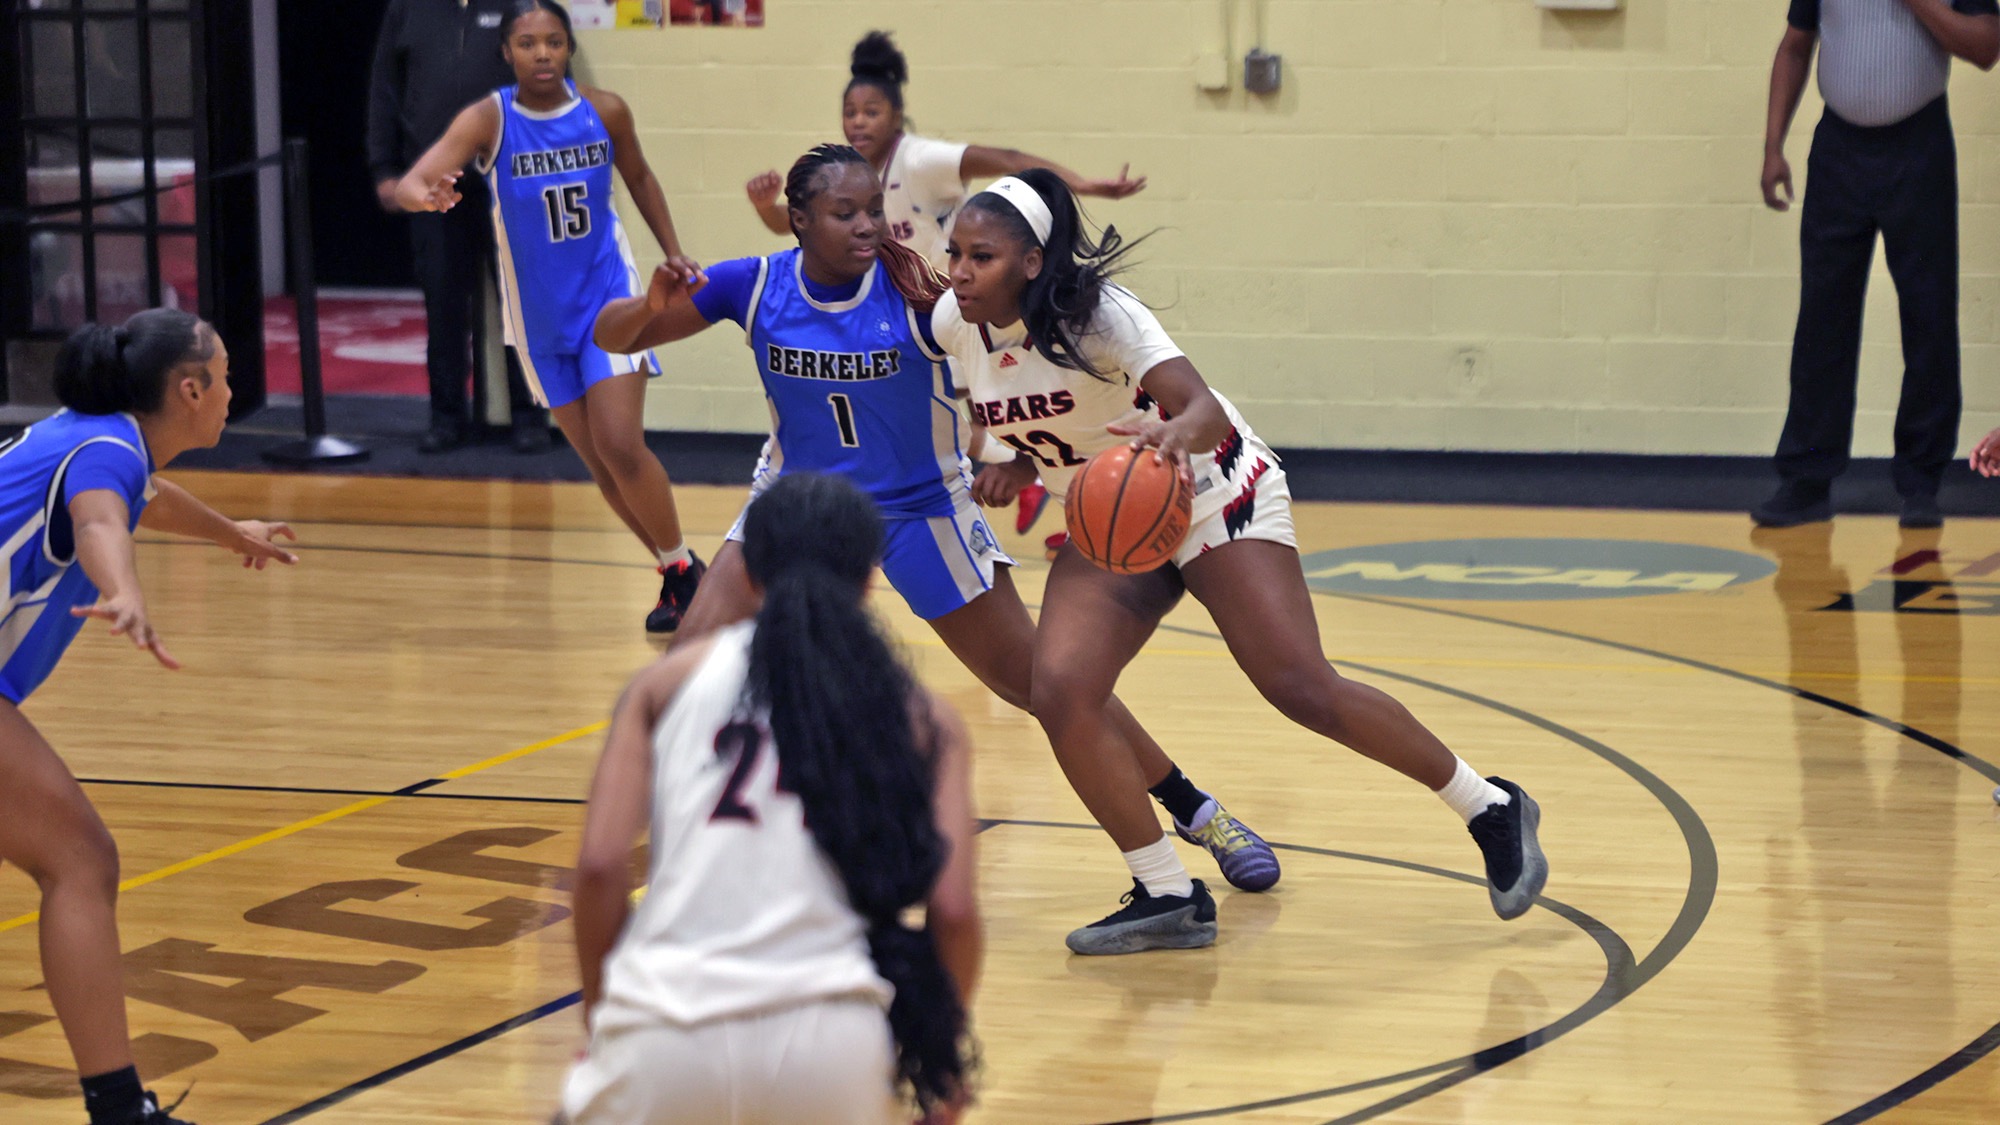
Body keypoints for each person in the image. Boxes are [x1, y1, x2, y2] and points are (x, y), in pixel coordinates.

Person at [597, 144, 1278, 954]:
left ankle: (1193, 804)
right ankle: (690, 877)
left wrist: (1024, 459)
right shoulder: (754, 285)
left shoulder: (927, 298)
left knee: (1045, 686)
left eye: (873, 209)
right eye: (845, 212)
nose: (868, 225)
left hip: (920, 512)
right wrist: (647, 307)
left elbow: (1017, 374)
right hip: (794, 507)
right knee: (687, 675)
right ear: (799, 219)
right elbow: (613, 335)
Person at [937, 171, 1551, 947]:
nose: (958, 270)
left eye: (981, 256)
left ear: (1031, 262)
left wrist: (1171, 434)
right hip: (1115, 515)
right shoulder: (953, 323)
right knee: (1058, 688)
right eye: (953, 252)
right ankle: (1165, 891)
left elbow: (1201, 407)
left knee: (1299, 686)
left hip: (1209, 488)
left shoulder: (1101, 316)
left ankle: (1489, 805)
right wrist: (1018, 467)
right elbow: (1040, 420)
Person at [564, 472, 978, 1124]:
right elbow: (953, 908)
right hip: (833, 1039)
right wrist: (942, 1058)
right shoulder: (922, 714)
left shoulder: (663, 686)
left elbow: (598, 869)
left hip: (665, 1021)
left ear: (748, 572)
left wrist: (599, 1019)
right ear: (870, 580)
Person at [0, 310, 300, 1125]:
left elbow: (143, 500)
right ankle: (119, 1110)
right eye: (227, 375)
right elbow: (102, 519)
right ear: (189, 387)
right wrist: (124, 589)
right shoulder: (107, 452)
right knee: (80, 860)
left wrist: (230, 531)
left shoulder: (96, 436)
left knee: (77, 860)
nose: (234, 391)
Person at [744, 30, 1150, 539]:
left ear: (895, 116)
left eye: (871, 111)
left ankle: (1054, 484)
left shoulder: (920, 161)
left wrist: (1084, 184)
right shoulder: (847, 176)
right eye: (851, 112)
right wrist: (766, 209)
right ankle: (1041, 480)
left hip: (961, 309)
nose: (858, 121)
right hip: (925, 318)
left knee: (989, 413)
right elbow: (798, 224)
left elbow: (1006, 158)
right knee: (953, 416)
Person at [398, 0, 706, 633]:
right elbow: (415, 179)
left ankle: (686, 574)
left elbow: (642, 177)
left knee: (621, 444)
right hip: (539, 322)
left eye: (555, 42)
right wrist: (424, 194)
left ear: (569, 49)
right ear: (506, 53)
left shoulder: (604, 109)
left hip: (609, 301)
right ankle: (680, 572)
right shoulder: (489, 119)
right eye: (529, 43)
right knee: (600, 466)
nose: (543, 53)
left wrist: (674, 251)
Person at [1754, 0, 1998, 530]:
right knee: (1823, 318)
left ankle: (1920, 482)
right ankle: (1806, 481)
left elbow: (1986, 47)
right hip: (1838, 146)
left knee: (1929, 316)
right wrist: (1773, 146)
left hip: (1920, 145)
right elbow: (1796, 46)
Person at [367, 0, 546, 454]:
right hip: (433, 178)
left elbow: (550, 79)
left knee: (521, 304)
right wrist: (385, 167)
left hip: (511, 179)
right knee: (443, 302)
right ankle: (446, 417)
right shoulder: (407, 9)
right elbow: (384, 88)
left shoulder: (523, 4)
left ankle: (530, 415)